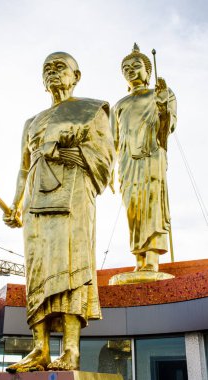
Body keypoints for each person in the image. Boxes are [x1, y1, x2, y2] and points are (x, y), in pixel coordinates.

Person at [3, 51, 115, 372]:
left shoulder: (91, 110)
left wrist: (73, 149)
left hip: (74, 195)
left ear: (75, 76)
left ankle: (70, 350)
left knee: (71, 264)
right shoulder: (32, 122)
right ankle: (39, 348)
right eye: (47, 69)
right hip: (36, 202)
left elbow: (106, 158)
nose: (53, 73)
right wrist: (15, 204)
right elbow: (24, 169)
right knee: (37, 270)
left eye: (60, 67)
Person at [111, 44, 177, 273]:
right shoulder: (119, 105)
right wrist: (109, 169)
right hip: (128, 162)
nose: (130, 71)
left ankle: (152, 259)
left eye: (136, 66)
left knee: (152, 204)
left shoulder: (161, 94)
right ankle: (138, 259)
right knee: (133, 207)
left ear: (148, 72)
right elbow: (113, 141)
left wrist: (162, 105)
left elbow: (168, 127)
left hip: (151, 155)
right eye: (125, 68)